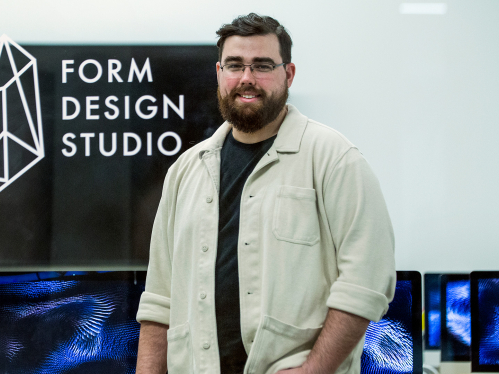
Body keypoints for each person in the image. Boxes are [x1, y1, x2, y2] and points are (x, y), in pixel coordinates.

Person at [135, 13, 396, 374]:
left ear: (288, 74)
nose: (246, 78)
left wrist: (315, 370)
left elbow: (366, 281)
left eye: (262, 66)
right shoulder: (185, 171)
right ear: (219, 73)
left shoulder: (334, 159)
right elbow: (159, 303)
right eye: (235, 65)